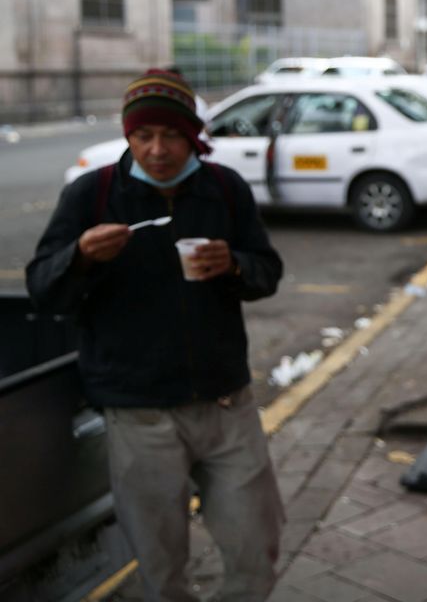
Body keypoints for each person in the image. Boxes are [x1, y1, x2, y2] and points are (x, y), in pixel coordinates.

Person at [26, 69, 285, 601]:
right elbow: (44, 291)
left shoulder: (224, 189)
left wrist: (233, 265)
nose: (158, 150)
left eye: (170, 136)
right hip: (137, 412)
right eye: (143, 136)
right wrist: (79, 258)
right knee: (160, 565)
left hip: (224, 403)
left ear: (192, 137)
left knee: (255, 545)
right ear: (128, 137)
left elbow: (267, 272)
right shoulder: (92, 196)